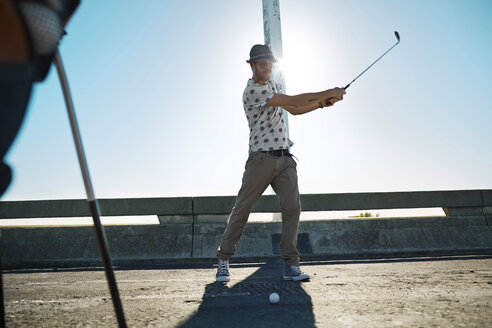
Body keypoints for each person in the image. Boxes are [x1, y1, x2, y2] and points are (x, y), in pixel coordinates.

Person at [216, 44, 346, 282]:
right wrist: (329, 91)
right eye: (263, 64)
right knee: (242, 209)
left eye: (270, 64)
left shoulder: (274, 85)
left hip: (285, 159)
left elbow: (294, 109)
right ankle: (223, 259)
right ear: (253, 65)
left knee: (292, 208)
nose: (268, 68)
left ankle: (291, 266)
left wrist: (321, 103)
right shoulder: (252, 91)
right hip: (260, 159)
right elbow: (294, 99)